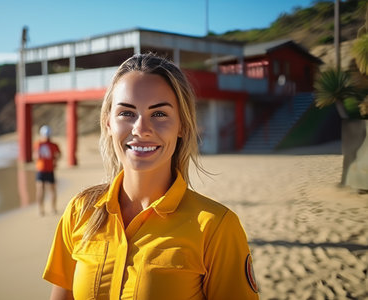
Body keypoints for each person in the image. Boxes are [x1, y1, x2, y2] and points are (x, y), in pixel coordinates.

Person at [43, 53, 259, 299]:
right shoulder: (80, 211)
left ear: (183, 126)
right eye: (126, 113)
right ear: (108, 123)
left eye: (159, 114)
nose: (141, 129)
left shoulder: (216, 227)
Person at [34, 125, 61, 216]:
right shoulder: (38, 144)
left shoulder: (52, 145)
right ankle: (41, 209)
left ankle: (52, 208)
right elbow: (35, 155)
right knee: (41, 189)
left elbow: (59, 154)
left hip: (48, 169)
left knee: (50, 189)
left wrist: (55, 161)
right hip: (42, 169)